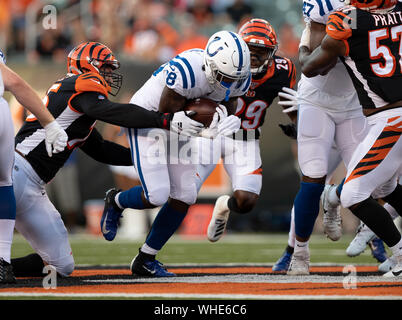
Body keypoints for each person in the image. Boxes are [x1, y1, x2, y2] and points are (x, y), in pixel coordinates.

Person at [9, 41, 204, 279]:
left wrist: (145, 158)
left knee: (61, 266)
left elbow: (100, 149)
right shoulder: (80, 84)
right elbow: (110, 112)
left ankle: (5, 267)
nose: (110, 75)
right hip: (16, 171)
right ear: (87, 66)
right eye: (106, 68)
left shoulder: (74, 109)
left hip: (33, 185)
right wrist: (164, 120)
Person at [101, 31, 251, 277]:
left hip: (180, 123)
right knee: (158, 194)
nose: (226, 83)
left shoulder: (237, 78)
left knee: (185, 194)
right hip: (149, 118)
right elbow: (165, 113)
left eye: (232, 79)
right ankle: (116, 200)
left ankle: (146, 258)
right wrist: (193, 122)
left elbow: (228, 101)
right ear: (210, 64)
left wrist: (229, 119)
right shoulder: (187, 70)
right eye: (223, 77)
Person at [297, 0, 402, 277]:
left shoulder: (348, 19)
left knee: (355, 193)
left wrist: (305, 41)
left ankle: (401, 254)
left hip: (390, 118)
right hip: (387, 117)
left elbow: (310, 67)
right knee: (384, 187)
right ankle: (334, 199)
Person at [276, 0, 371, 276]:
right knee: (313, 177)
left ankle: (337, 202)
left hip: (355, 102)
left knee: (369, 180)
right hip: (317, 99)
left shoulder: (386, 11)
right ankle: (300, 253)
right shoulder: (328, 5)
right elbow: (315, 65)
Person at [195, 18, 298, 243]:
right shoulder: (223, 59)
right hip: (212, 134)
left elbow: (289, 103)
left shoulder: (283, 70)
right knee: (185, 191)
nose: (254, 56)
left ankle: (224, 205)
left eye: (261, 51)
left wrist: (298, 122)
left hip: (245, 138)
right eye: (250, 49)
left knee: (246, 201)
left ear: (272, 53)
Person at [0, 49, 68, 283]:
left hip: (31, 179)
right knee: (4, 183)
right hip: (3, 118)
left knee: (62, 265)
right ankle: (2, 262)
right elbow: (15, 82)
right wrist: (50, 123)